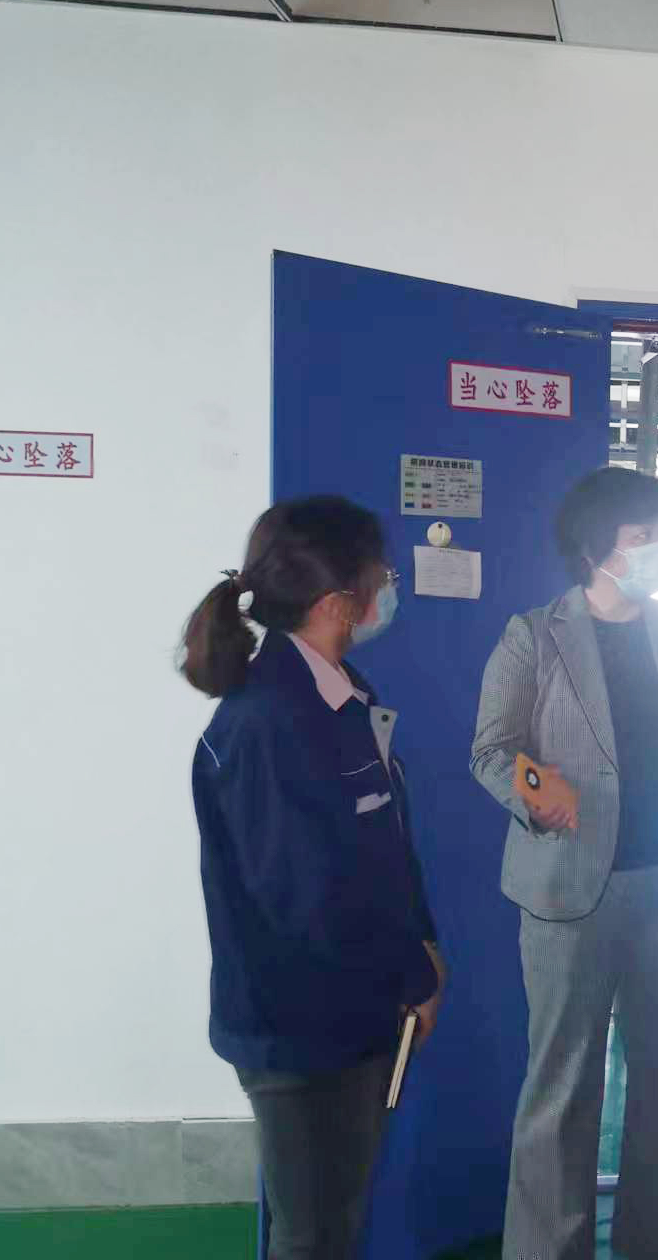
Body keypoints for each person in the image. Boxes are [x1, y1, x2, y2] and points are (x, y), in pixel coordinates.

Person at [470, 467, 658, 1260]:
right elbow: (491, 751)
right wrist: (539, 790)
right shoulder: (534, 635)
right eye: (642, 535)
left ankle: (657, 1237)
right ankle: (548, 1247)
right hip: (570, 891)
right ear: (597, 547)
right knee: (563, 1082)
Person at [183, 496, 444, 1260]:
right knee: (313, 1235)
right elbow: (307, 899)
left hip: (356, 1012)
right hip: (298, 1030)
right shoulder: (269, 723)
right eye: (383, 572)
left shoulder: (341, 696)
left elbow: (382, 846)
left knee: (336, 1221)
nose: (391, 584)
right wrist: (413, 974)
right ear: (338, 602)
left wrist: (421, 948)